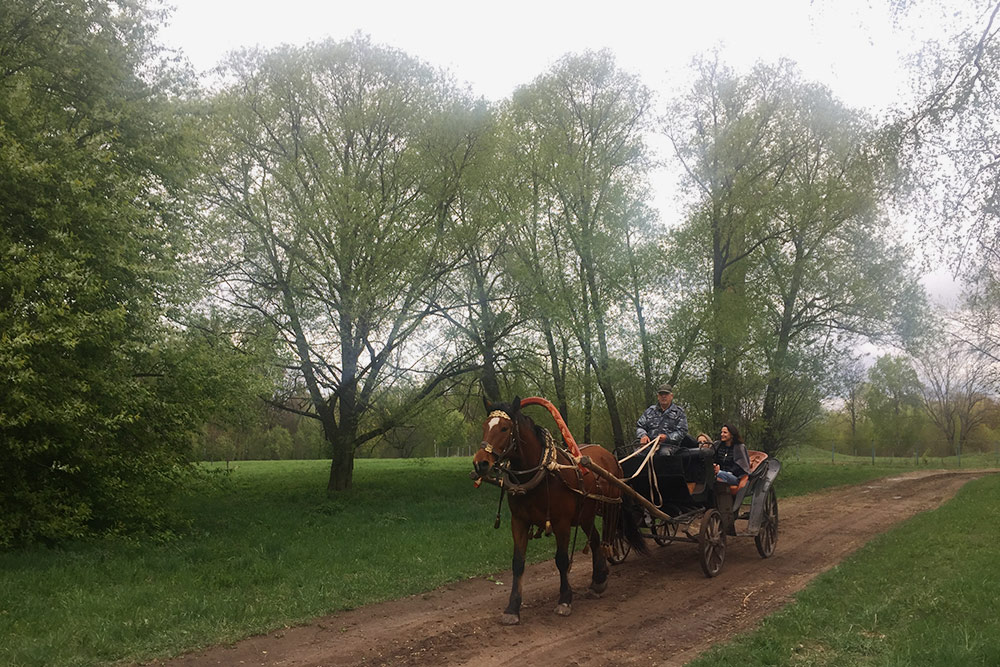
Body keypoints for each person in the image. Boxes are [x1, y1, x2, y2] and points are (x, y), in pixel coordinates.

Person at [635, 384, 689, 452]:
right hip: (649, 445)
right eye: (661, 394)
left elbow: (682, 431)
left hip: (670, 446)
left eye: (666, 394)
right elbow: (640, 426)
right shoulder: (649, 411)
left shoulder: (679, 412)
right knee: (637, 453)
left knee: (664, 453)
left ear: (671, 396)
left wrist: (667, 438)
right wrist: (643, 435)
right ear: (658, 396)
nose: (663, 396)